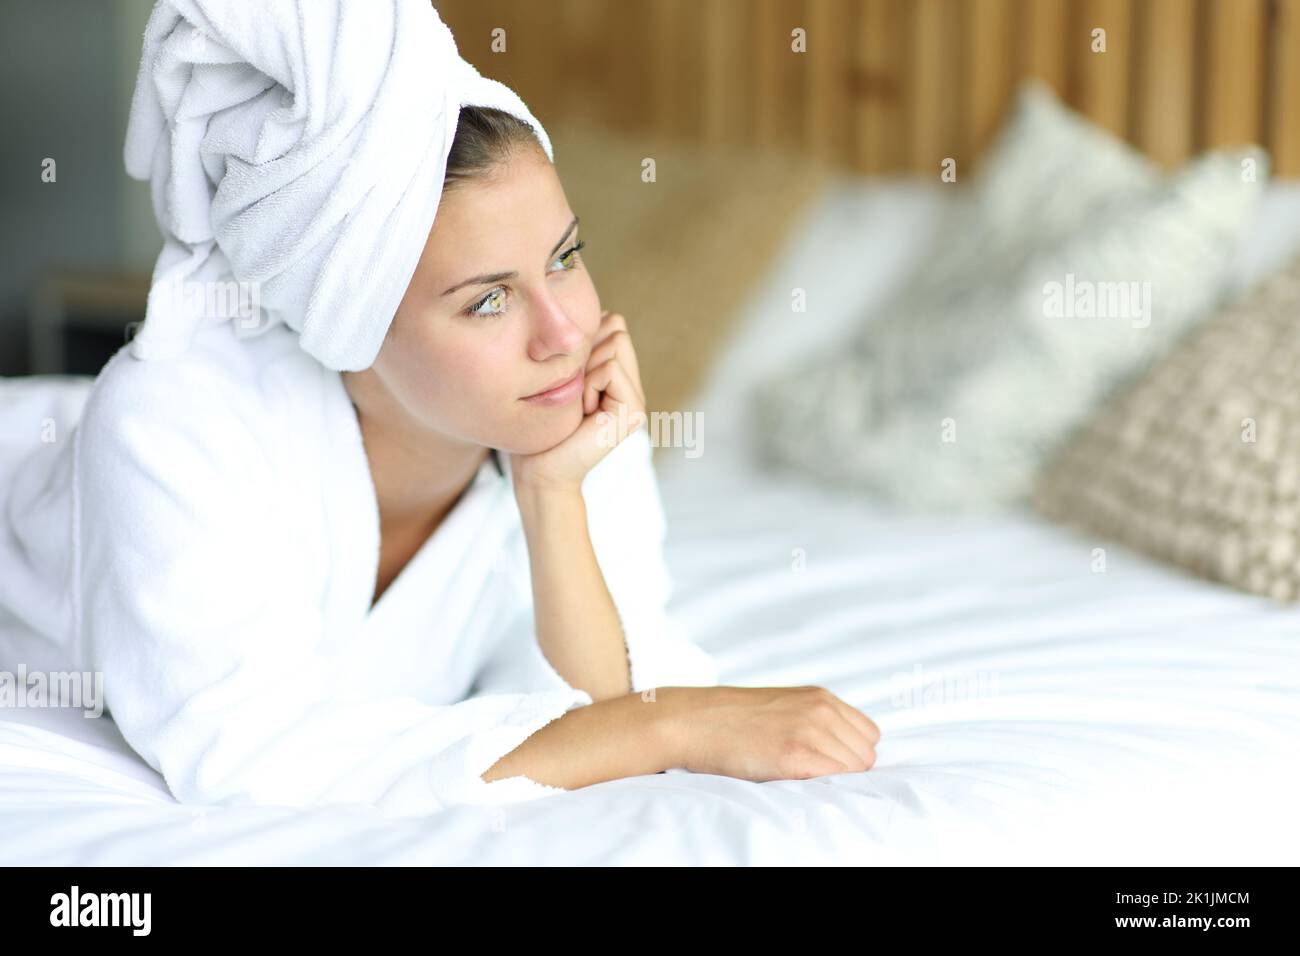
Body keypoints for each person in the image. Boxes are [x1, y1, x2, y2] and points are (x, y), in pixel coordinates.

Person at [0, 1, 879, 817]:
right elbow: (244, 754)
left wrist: (551, 496)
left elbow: (598, 702)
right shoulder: (171, 429)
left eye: (566, 256)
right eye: (488, 301)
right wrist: (675, 725)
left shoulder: (564, 413)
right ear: (351, 323)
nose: (567, 331)